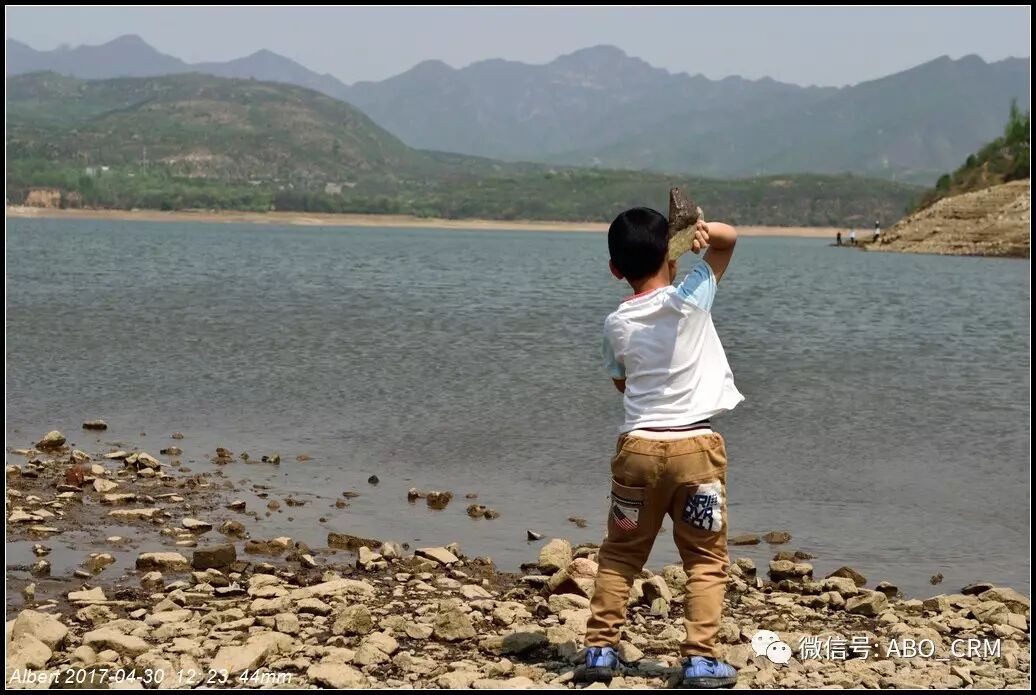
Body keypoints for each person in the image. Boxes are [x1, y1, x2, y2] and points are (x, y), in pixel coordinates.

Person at [584, 207, 743, 688]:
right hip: (696, 449)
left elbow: (623, 385)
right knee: (705, 560)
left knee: (620, 555)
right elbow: (728, 240)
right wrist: (701, 232)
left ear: (615, 269)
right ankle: (699, 659)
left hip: (637, 452)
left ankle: (599, 652)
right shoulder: (691, 299)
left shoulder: (615, 324)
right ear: (670, 253)